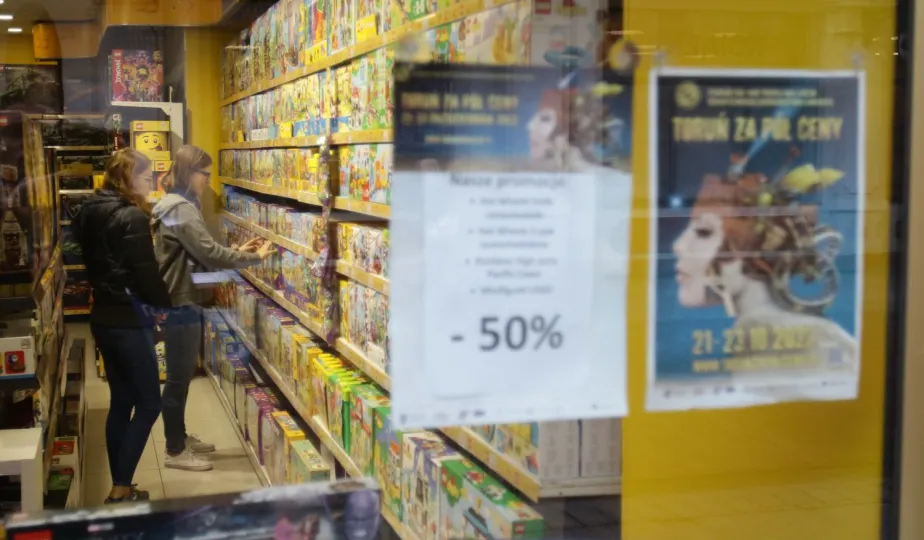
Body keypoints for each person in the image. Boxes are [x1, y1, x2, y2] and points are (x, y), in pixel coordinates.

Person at [152, 145, 274, 471]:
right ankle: (175, 450)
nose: (208, 180)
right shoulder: (181, 208)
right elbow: (209, 254)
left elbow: (197, 252)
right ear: (188, 173)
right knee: (178, 378)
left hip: (180, 297)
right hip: (181, 301)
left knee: (180, 377)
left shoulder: (175, 204)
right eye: (204, 174)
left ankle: (178, 437)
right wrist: (253, 257)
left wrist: (235, 250)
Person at [73, 148, 172, 503]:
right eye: (146, 177)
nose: (151, 183)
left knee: (122, 401)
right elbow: (145, 272)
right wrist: (163, 307)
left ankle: (122, 485)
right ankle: (119, 489)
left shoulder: (89, 210)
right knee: (149, 404)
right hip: (129, 320)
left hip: (103, 316)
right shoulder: (131, 216)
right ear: (127, 179)